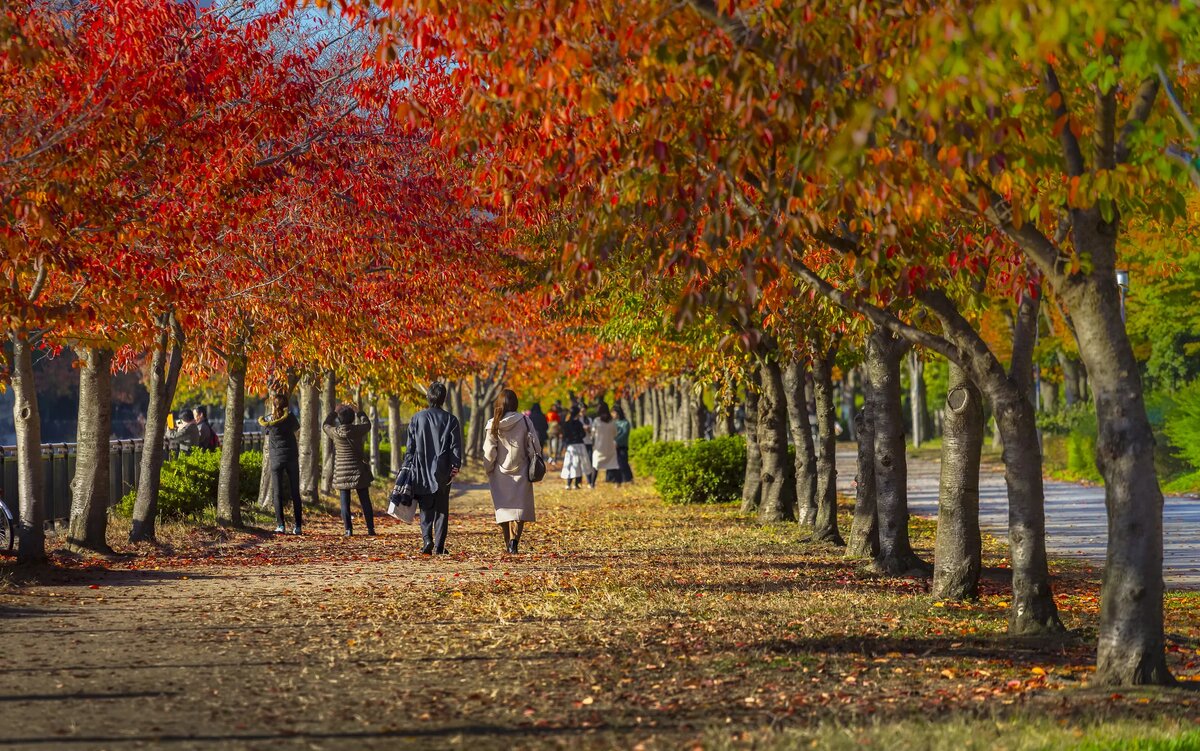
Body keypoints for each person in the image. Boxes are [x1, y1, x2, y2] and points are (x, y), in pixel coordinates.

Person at [405, 383, 462, 554]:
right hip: (443, 469)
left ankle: (427, 539)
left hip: (421, 467)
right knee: (442, 508)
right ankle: (439, 545)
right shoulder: (451, 420)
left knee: (425, 506)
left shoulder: (416, 418)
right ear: (444, 398)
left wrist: (407, 465)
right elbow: (455, 447)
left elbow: (410, 447)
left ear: (428, 396)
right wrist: (455, 466)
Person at [482, 389, 539, 554]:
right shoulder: (525, 421)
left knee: (503, 507)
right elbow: (534, 445)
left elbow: (489, 451)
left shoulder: (493, 423)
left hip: (499, 472)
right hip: (521, 469)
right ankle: (515, 541)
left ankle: (507, 540)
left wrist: (488, 468)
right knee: (519, 508)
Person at [323, 405, 375, 537]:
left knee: (344, 501)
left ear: (339, 420)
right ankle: (370, 529)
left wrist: (334, 413)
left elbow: (325, 425)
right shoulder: (358, 430)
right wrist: (360, 412)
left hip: (341, 471)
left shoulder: (335, 432)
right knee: (365, 500)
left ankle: (348, 530)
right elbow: (367, 424)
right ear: (352, 419)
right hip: (358, 471)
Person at [259, 393, 302, 534]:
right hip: (291, 457)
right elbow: (297, 428)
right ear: (286, 405)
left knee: (277, 493)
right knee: (295, 492)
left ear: (274, 405)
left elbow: (265, 431)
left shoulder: (269, 420)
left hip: (276, 458)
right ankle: (298, 526)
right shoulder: (290, 418)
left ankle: (281, 525)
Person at [559, 407, 592, 490]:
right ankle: (577, 484)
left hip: (570, 447)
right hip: (580, 445)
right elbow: (583, 435)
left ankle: (568, 484)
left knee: (570, 464)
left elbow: (564, 436)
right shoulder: (578, 423)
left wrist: (565, 444)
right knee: (580, 464)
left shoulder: (566, 423)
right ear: (577, 413)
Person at [590, 403, 619, 488]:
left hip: (599, 447)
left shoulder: (597, 421)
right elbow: (615, 433)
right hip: (610, 446)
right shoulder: (612, 421)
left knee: (595, 465)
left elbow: (592, 433)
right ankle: (617, 482)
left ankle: (592, 484)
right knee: (613, 464)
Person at [612, 405, 635, 484]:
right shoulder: (613, 422)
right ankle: (618, 480)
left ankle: (629, 478)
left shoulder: (625, 423)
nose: (612, 414)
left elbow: (625, 434)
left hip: (622, 445)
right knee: (616, 463)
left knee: (623, 462)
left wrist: (617, 441)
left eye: (614, 413)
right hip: (613, 445)